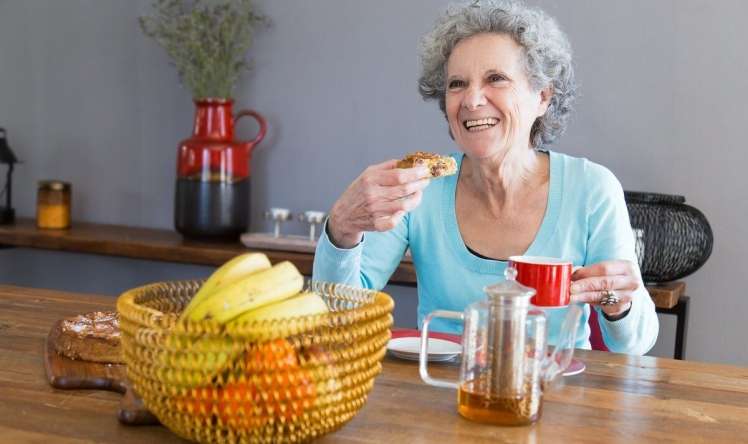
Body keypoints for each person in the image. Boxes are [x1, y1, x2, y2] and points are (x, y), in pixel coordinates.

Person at [312, 0, 658, 354]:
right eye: (457, 84)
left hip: (557, 393)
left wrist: (620, 304)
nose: (472, 100)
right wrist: (341, 228)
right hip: (440, 390)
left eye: (496, 79)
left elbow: (634, 345)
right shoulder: (421, 188)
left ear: (542, 96)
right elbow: (335, 320)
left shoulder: (592, 189)